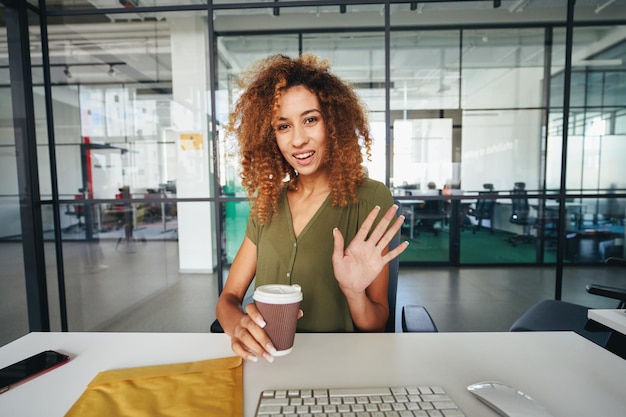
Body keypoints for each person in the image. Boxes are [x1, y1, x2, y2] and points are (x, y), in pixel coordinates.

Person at [215, 53, 409, 363]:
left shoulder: (371, 200)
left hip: (338, 366)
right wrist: (236, 324)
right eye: (283, 126)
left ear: (333, 123)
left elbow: (376, 324)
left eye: (310, 119)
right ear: (271, 137)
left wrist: (354, 292)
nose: (298, 141)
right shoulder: (267, 203)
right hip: (269, 364)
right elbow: (229, 298)